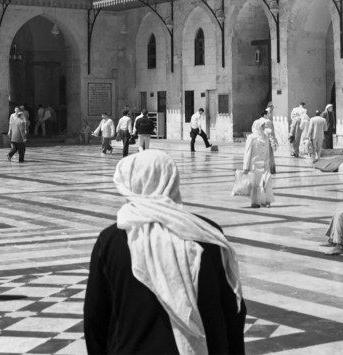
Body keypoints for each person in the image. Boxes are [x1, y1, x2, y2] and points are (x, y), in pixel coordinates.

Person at [83, 150, 246, 354]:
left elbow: (95, 317)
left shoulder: (111, 240)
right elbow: (232, 312)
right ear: (172, 180)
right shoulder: (206, 234)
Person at [240, 119, 275, 207]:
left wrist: (269, 162)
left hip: (265, 164)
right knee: (256, 184)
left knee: (267, 182)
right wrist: (245, 166)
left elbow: (267, 151)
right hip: (255, 164)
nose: (263, 127)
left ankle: (267, 200)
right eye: (261, 126)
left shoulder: (265, 136)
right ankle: (255, 202)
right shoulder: (251, 137)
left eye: (263, 126)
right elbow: (247, 152)